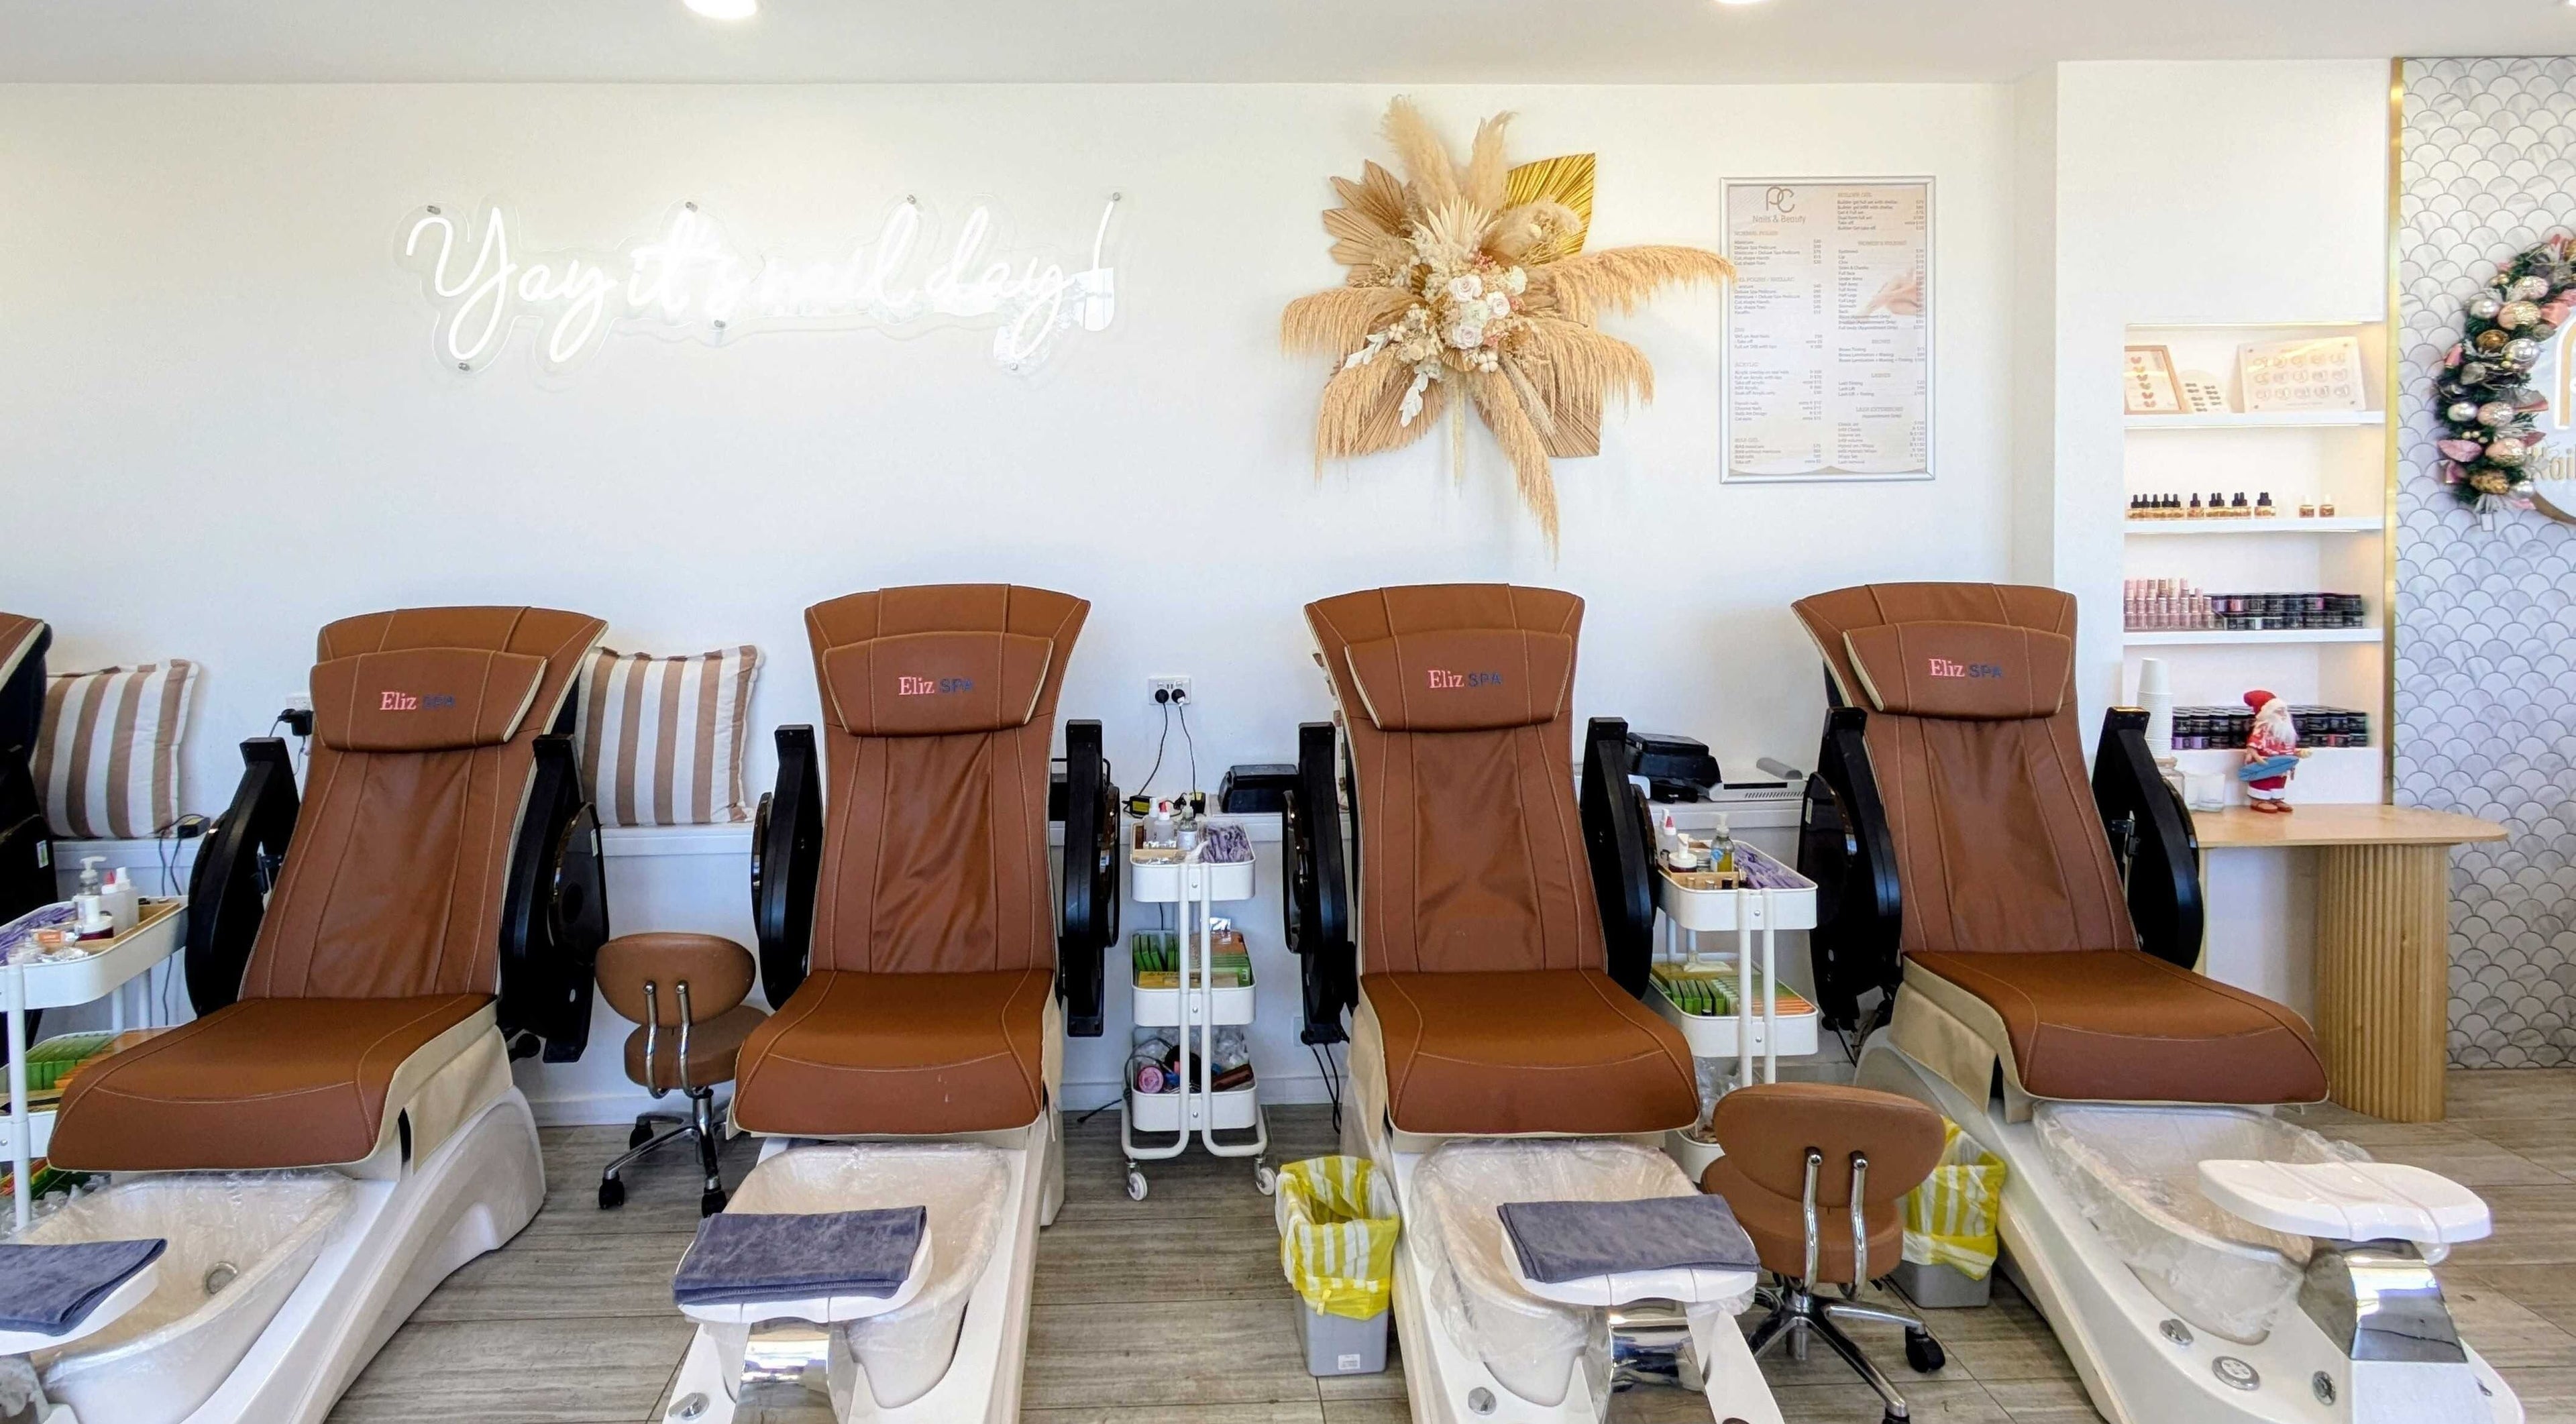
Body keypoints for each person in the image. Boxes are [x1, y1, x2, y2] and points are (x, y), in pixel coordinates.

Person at [2239, 688, 2305, 814]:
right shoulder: (2262, 730)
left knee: (2278, 781)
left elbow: (2288, 746)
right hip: (2266, 761)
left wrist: (2297, 753)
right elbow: (2252, 745)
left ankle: (2276, 798)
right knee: (2264, 779)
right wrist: (2257, 757)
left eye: (2284, 711)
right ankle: (2259, 799)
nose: (2283, 714)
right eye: (2279, 711)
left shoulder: (2285, 731)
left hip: (2282, 764)